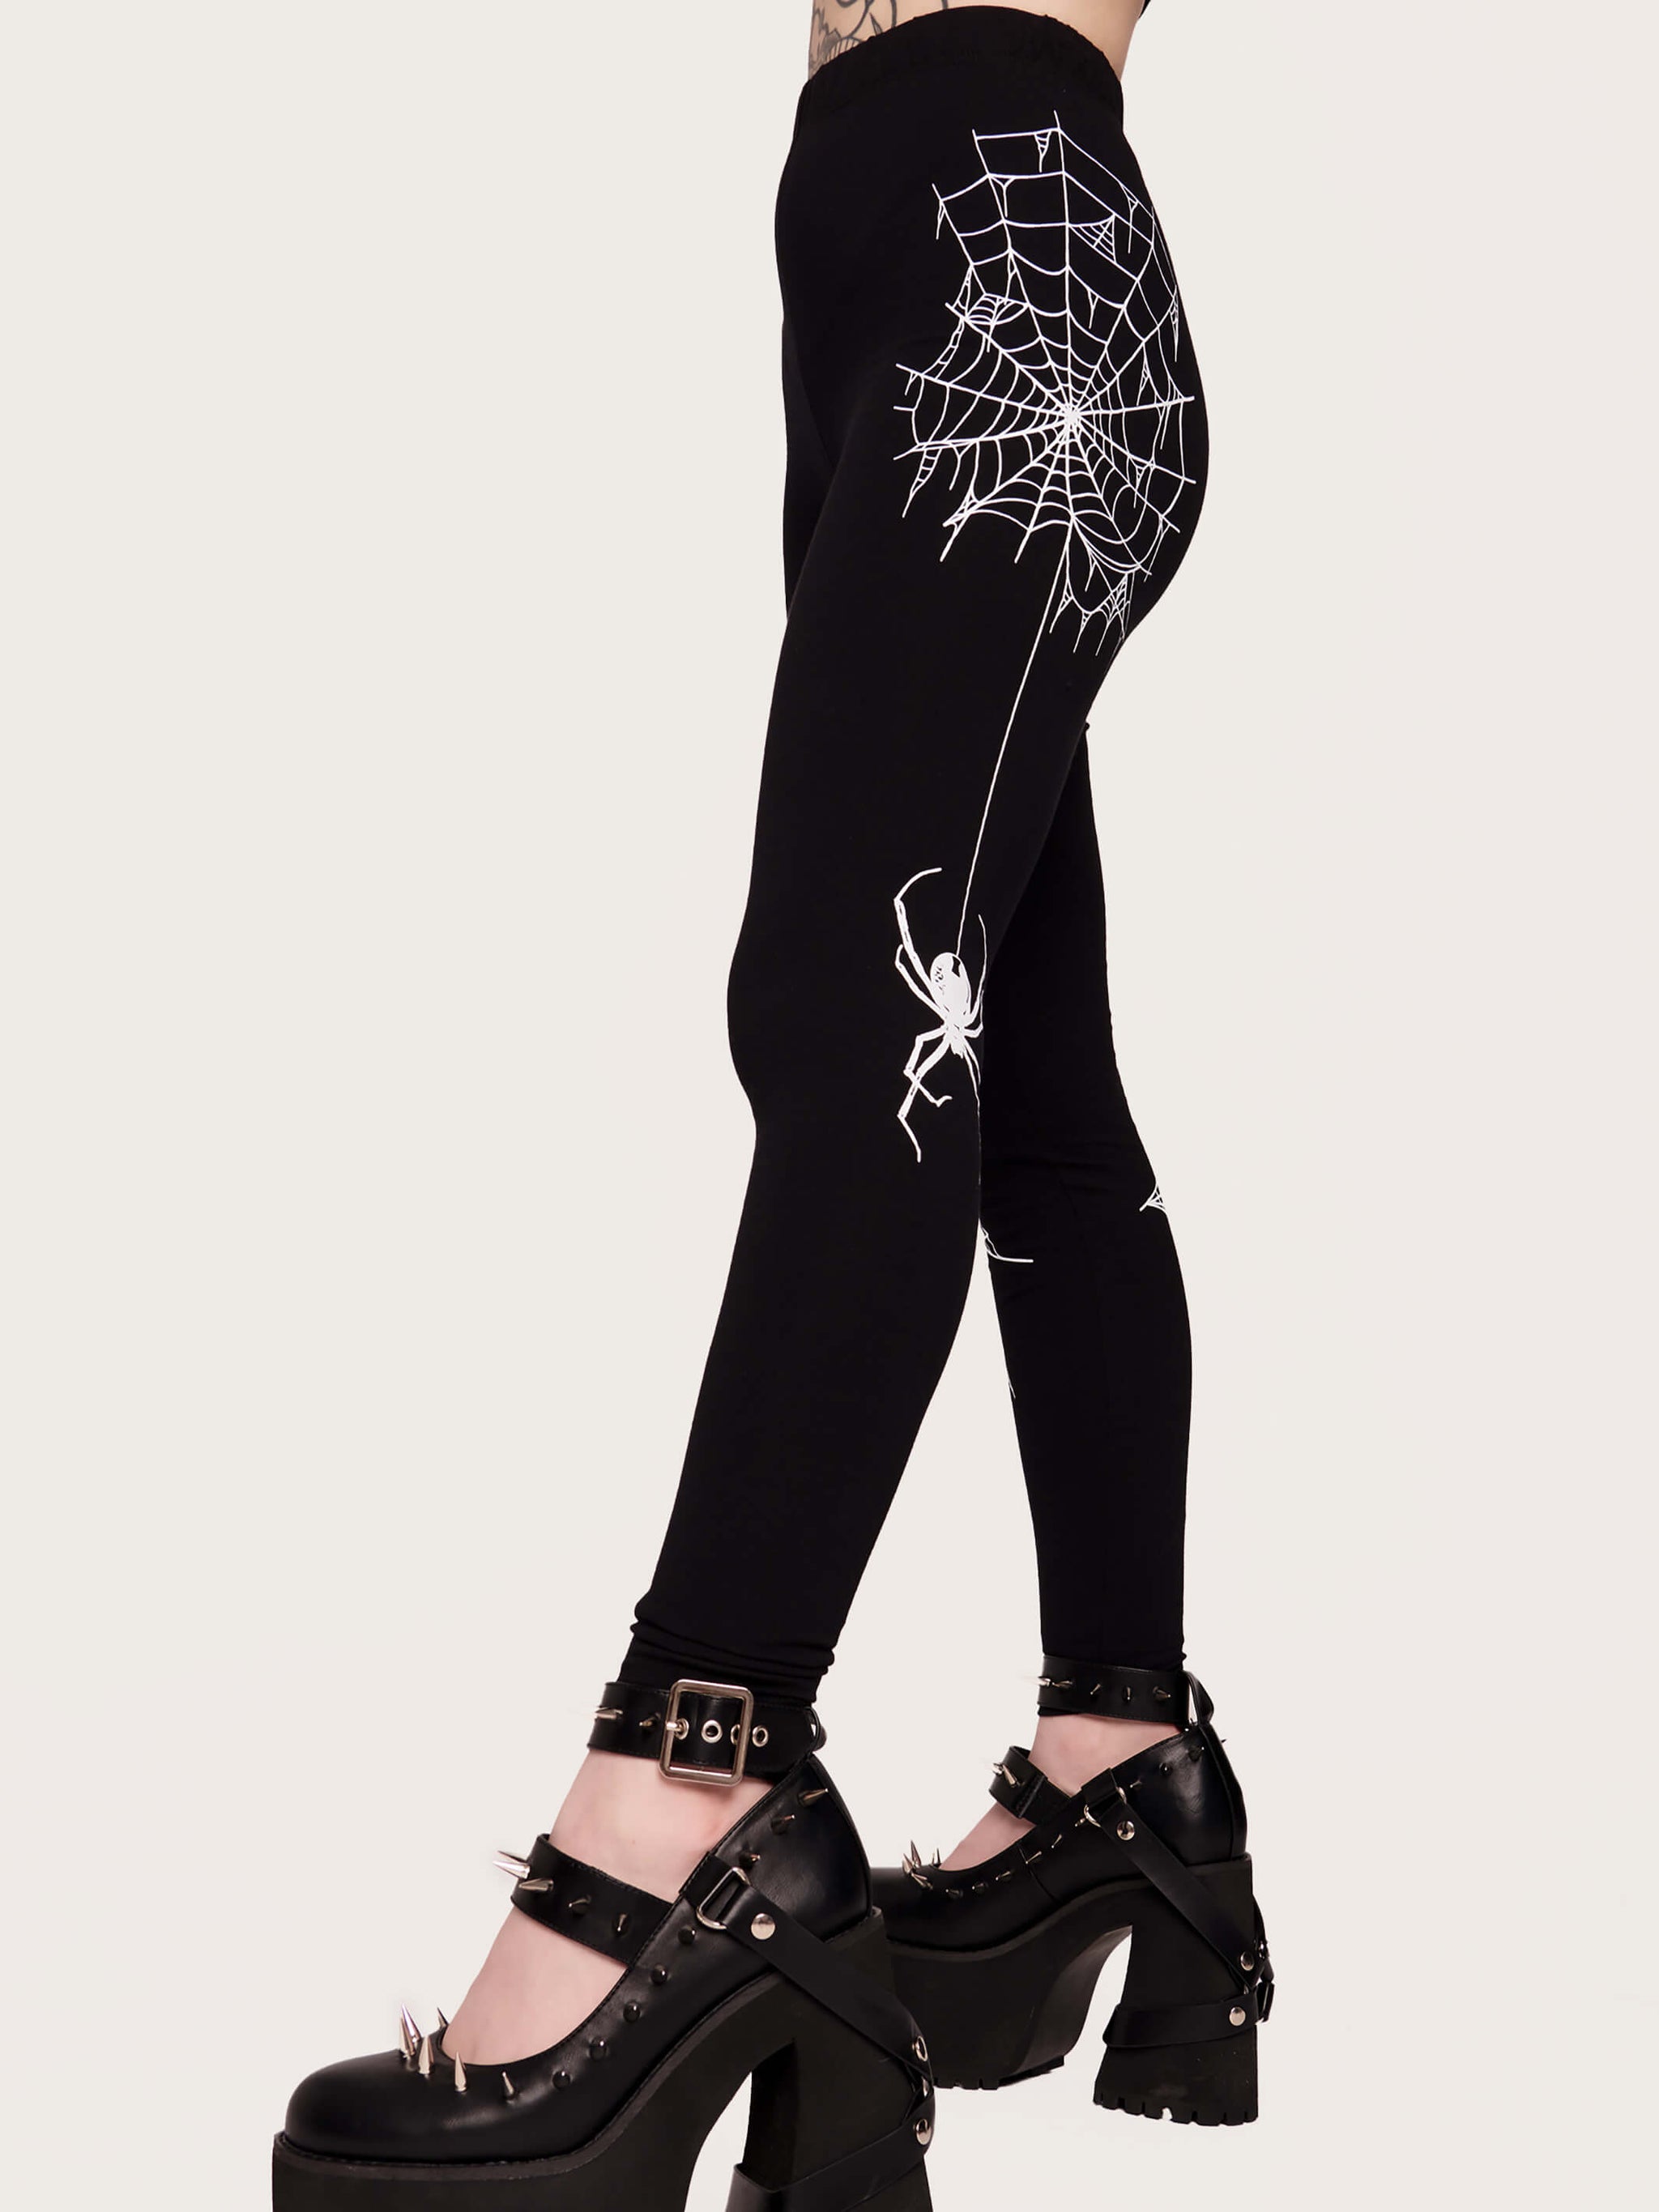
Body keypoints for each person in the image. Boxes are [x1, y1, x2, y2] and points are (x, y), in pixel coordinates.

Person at [273, 6, 1272, 2206]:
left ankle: (695, 1772)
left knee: (857, 1009)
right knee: (1016, 1059)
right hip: (917, 289)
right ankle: (1128, 1756)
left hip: (1009, 293)